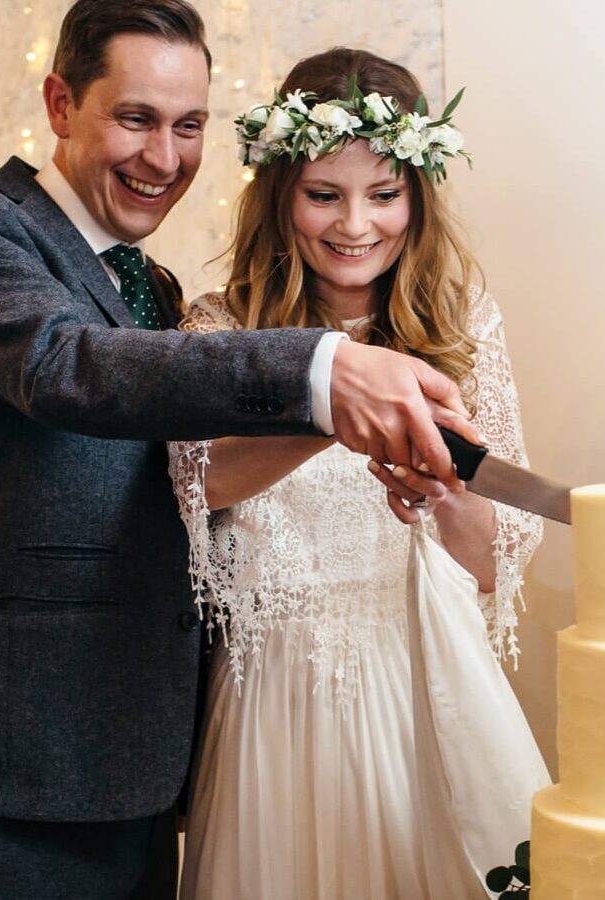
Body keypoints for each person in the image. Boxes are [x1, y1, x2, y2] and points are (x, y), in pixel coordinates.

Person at [0, 4, 479, 897]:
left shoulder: (149, 284)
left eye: (188, 125)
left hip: (152, 755)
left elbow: (171, 487)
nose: (164, 158)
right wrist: (322, 371)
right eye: (135, 118)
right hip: (22, 752)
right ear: (59, 103)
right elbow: (65, 366)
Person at [171, 48, 546, 900]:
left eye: (384, 194)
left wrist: (448, 494)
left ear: (417, 195)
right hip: (273, 701)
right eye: (323, 195)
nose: (355, 224)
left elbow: (496, 561)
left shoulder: (463, 327)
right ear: (279, 196)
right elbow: (194, 485)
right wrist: (327, 409)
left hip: (422, 691)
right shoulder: (218, 329)